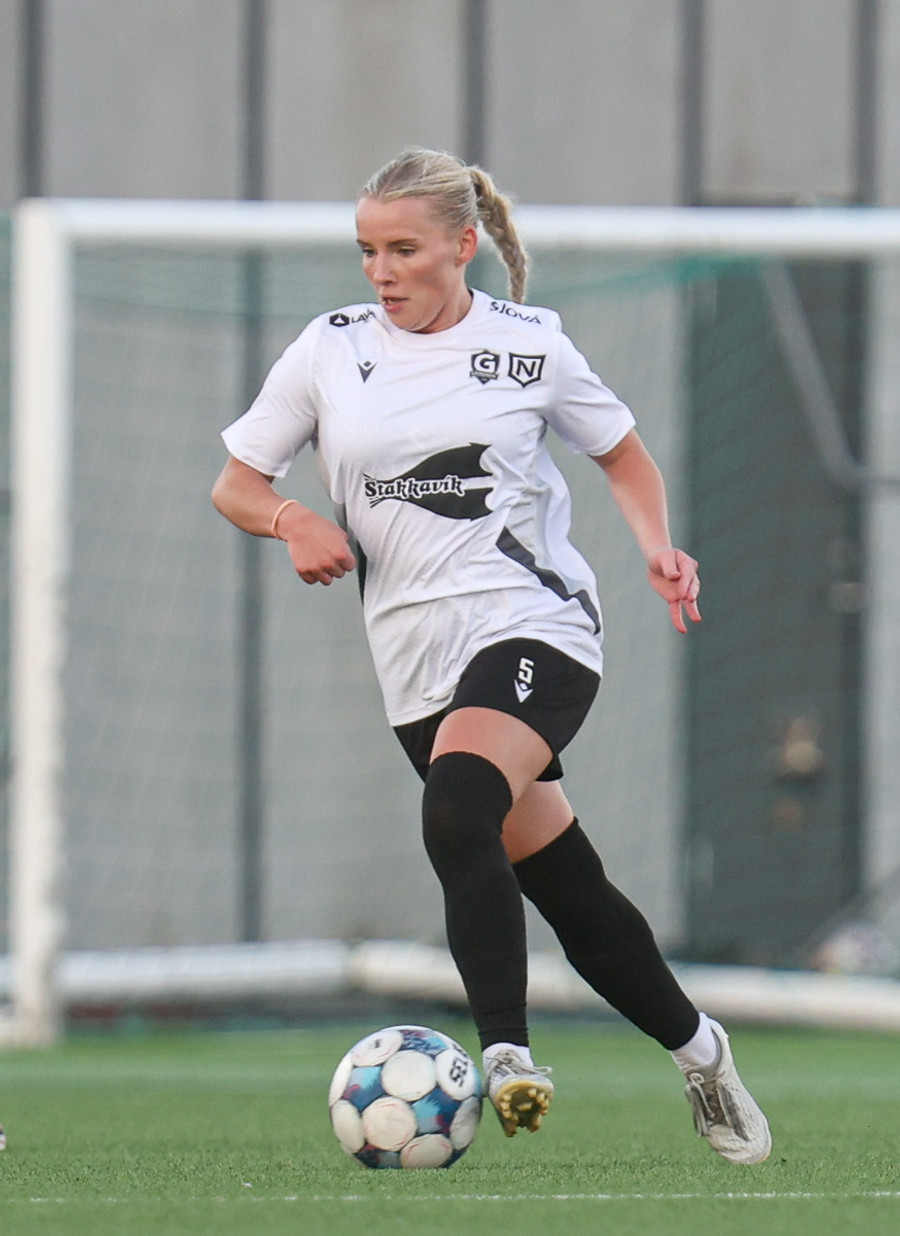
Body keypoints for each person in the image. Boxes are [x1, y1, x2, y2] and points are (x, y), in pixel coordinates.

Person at [212, 147, 771, 1165]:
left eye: (404, 249)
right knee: (566, 886)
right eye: (367, 250)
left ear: (463, 244)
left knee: (457, 803)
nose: (381, 271)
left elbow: (623, 455)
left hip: (534, 625)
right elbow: (237, 482)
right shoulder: (330, 348)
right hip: (414, 658)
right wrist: (293, 519)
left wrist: (657, 547)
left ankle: (507, 1055)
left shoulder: (530, 344)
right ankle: (703, 1053)